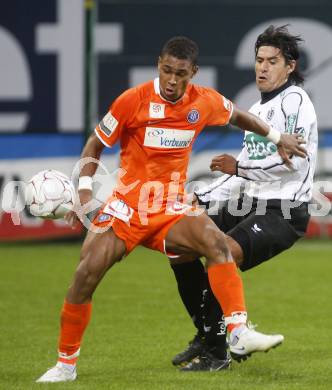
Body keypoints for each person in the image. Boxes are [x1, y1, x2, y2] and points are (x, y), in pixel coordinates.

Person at [36, 35, 306, 383]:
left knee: (217, 244)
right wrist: (84, 192)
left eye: (181, 73)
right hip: (127, 208)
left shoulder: (203, 101)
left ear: (193, 71)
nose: (172, 80)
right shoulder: (132, 101)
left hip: (170, 206)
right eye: (166, 71)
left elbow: (239, 116)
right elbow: (95, 143)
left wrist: (277, 137)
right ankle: (65, 365)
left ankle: (238, 333)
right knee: (84, 277)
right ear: (158, 66)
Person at [170, 25, 318, 371]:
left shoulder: (295, 100)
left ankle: (217, 352)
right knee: (177, 245)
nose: (262, 68)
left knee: (223, 251)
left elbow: (291, 161)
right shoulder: (257, 109)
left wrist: (238, 168)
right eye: (258, 60)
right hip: (248, 203)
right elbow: (240, 172)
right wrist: (198, 197)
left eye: (272, 61)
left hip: (283, 211)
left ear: (290, 67)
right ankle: (208, 334)